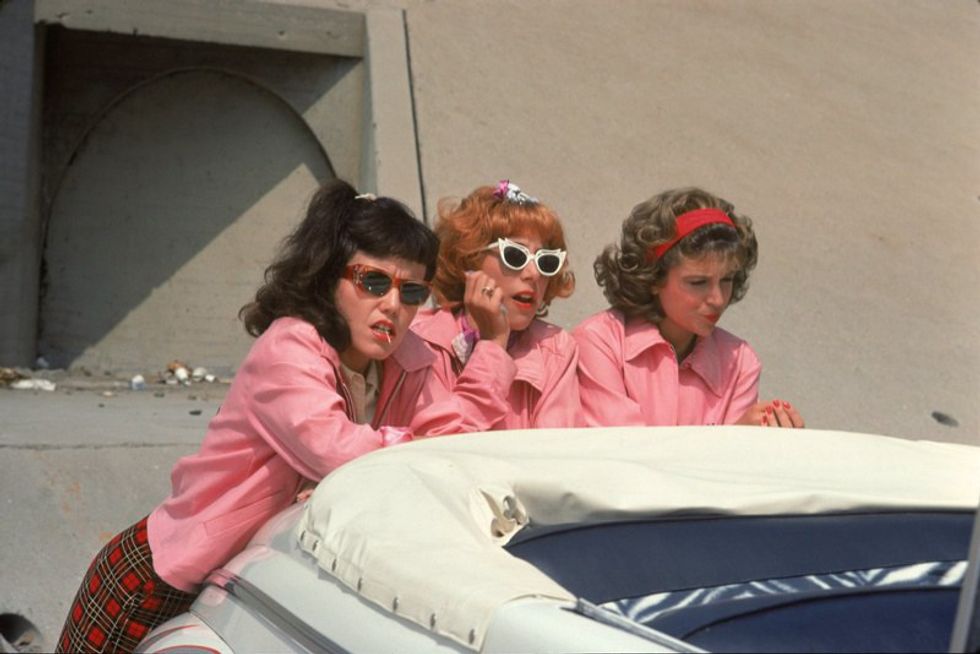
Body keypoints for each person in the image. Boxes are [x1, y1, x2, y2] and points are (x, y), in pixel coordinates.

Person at [57, 180, 441, 653]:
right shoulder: (290, 348)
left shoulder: (400, 364)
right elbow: (337, 451)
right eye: (374, 281)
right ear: (329, 276)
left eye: (413, 292)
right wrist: (420, 447)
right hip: (158, 580)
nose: (393, 305)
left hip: (238, 590)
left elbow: (459, 433)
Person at [574, 186, 804, 428]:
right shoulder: (600, 342)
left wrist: (765, 435)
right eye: (698, 282)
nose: (717, 299)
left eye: (727, 280)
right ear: (653, 278)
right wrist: (732, 437)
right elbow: (621, 446)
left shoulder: (740, 361)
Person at [409, 180, 583, 431]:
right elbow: (436, 441)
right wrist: (493, 344)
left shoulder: (556, 349)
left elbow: (556, 450)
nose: (533, 274)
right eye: (515, 255)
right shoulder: (419, 341)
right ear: (469, 259)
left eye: (546, 262)